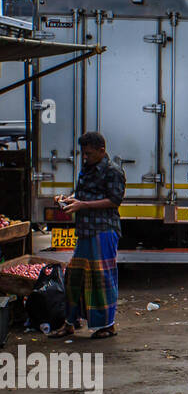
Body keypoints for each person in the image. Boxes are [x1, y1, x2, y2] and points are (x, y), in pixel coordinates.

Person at [51, 132, 125, 339]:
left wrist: (83, 205)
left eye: (90, 154)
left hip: (103, 230)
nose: (86, 157)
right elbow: (82, 194)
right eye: (84, 154)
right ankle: (70, 322)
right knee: (74, 277)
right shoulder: (88, 167)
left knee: (102, 278)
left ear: (102, 151)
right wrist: (68, 199)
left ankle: (107, 325)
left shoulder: (113, 171)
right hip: (85, 230)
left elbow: (114, 200)